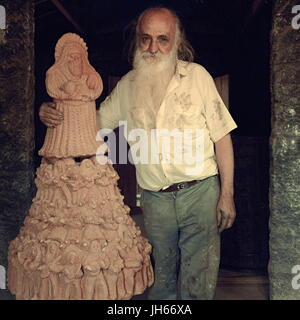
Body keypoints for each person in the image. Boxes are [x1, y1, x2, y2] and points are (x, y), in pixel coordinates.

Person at [39, 7, 237, 300]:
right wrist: (52, 113)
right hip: (155, 199)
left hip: (201, 192)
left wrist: (227, 193)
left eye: (162, 39)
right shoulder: (128, 86)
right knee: (159, 278)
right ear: (137, 40)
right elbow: (90, 125)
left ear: (176, 41)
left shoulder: (198, 78)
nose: (153, 48)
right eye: (146, 39)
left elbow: (222, 137)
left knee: (199, 277)